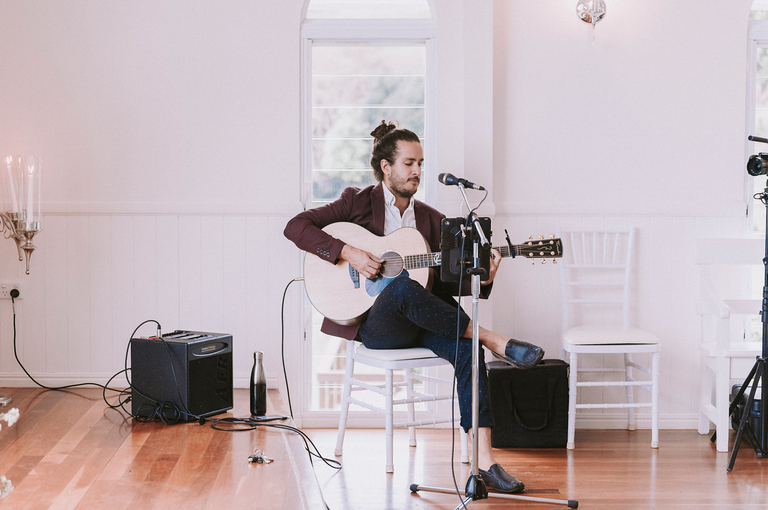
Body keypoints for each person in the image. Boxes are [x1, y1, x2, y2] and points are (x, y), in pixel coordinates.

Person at [284, 120, 544, 493]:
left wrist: (483, 276)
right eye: (408, 163)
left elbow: (449, 282)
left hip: (424, 322)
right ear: (386, 167)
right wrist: (349, 252)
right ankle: (493, 339)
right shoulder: (356, 202)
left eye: (420, 163)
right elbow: (296, 226)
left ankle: (485, 462)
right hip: (377, 327)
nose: (417, 171)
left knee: (467, 350)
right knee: (404, 287)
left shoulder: (431, 219)